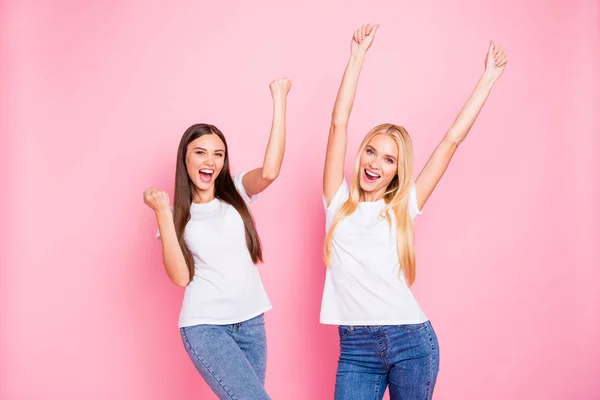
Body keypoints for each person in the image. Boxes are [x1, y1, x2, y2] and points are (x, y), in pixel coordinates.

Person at [321, 24, 507, 399]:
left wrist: (488, 78)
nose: (375, 164)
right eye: (371, 151)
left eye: (388, 159)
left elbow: (451, 140)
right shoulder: (336, 202)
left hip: (411, 343)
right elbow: (338, 122)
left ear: (397, 170)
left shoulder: (404, 207)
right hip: (356, 348)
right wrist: (356, 57)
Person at [143, 78, 292, 400]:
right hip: (207, 327)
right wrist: (161, 214)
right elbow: (181, 277)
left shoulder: (236, 192)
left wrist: (279, 100)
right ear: (185, 158)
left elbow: (269, 172)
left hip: (252, 322)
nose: (210, 161)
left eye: (218, 154)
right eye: (200, 153)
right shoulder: (174, 215)